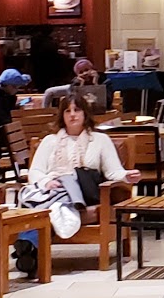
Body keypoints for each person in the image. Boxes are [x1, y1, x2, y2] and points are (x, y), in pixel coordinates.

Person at [16, 92, 141, 273]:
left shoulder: (100, 140)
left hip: (81, 192)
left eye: (77, 110)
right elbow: (35, 172)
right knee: (44, 202)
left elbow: (112, 171)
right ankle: (29, 252)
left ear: (85, 114)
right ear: (62, 115)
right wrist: (46, 182)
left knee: (53, 205)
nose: (72, 115)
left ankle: (27, 244)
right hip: (51, 189)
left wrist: (126, 176)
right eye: (67, 111)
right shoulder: (49, 141)